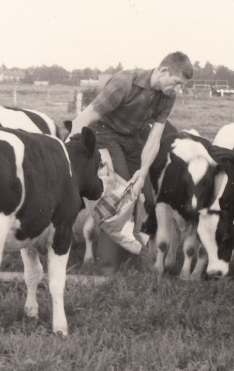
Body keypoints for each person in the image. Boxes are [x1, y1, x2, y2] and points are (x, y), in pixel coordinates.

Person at [68, 52, 193, 274]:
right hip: (104, 134)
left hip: (132, 139)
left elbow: (154, 138)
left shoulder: (167, 96)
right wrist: (78, 156)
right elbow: (83, 119)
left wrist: (143, 173)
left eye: (181, 86)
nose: (177, 90)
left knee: (145, 193)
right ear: (164, 71)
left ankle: (132, 256)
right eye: (176, 83)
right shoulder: (124, 83)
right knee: (121, 195)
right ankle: (108, 267)